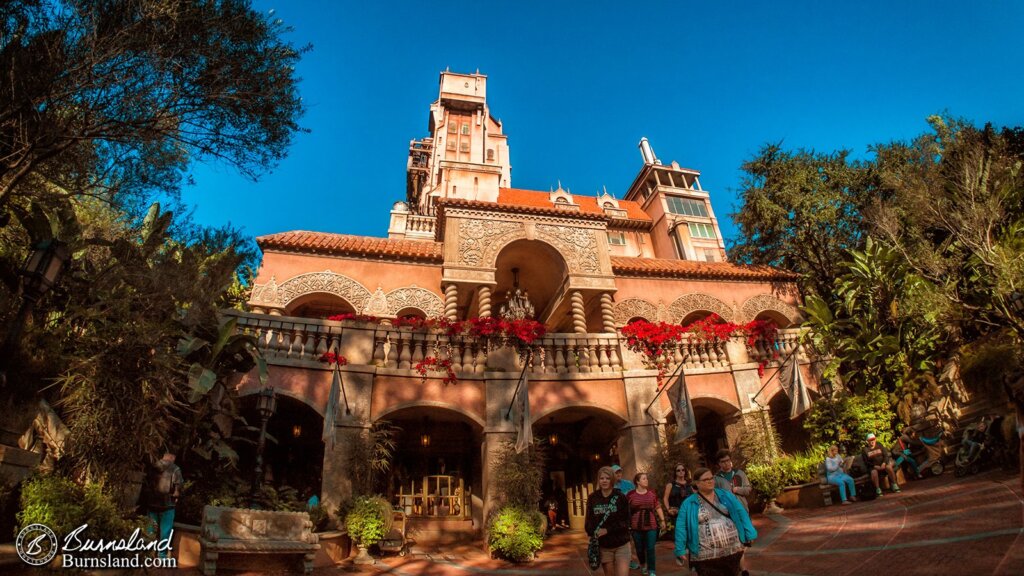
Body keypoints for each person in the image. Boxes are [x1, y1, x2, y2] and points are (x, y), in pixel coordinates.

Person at [674, 467, 757, 576]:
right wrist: (680, 549)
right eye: (706, 479)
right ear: (697, 484)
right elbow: (681, 526)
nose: (710, 481)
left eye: (711, 478)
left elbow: (741, 513)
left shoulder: (725, 495)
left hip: (732, 551)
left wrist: (750, 533)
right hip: (705, 556)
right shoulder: (688, 503)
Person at [585, 466, 632, 576]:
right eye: (602, 478)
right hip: (604, 546)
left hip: (622, 543)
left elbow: (627, 521)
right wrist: (592, 531)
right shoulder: (593, 498)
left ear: (612, 479)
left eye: (607, 478)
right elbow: (588, 522)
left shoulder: (620, 497)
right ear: (599, 480)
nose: (604, 481)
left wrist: (607, 529)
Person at [144, 451, 183, 558]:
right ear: (172, 456)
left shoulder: (153, 466)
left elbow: (147, 483)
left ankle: (147, 554)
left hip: (152, 503)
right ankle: (162, 555)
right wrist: (176, 497)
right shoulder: (175, 469)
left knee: (150, 530)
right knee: (165, 532)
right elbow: (178, 485)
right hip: (167, 505)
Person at [627, 472, 665, 576]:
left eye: (646, 478)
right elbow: (626, 510)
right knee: (639, 548)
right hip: (636, 526)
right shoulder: (630, 495)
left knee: (650, 548)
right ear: (637, 482)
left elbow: (657, 507)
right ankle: (643, 565)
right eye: (644, 479)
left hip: (651, 525)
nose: (646, 480)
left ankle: (652, 570)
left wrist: (662, 520)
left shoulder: (652, 493)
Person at [663, 462, 692, 534]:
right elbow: (665, 498)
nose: (681, 472)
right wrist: (668, 509)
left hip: (689, 513)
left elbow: (695, 497)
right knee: (679, 534)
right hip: (676, 513)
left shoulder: (690, 484)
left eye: (683, 470)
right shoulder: (670, 485)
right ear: (675, 472)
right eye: (678, 470)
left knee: (690, 533)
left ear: (685, 471)